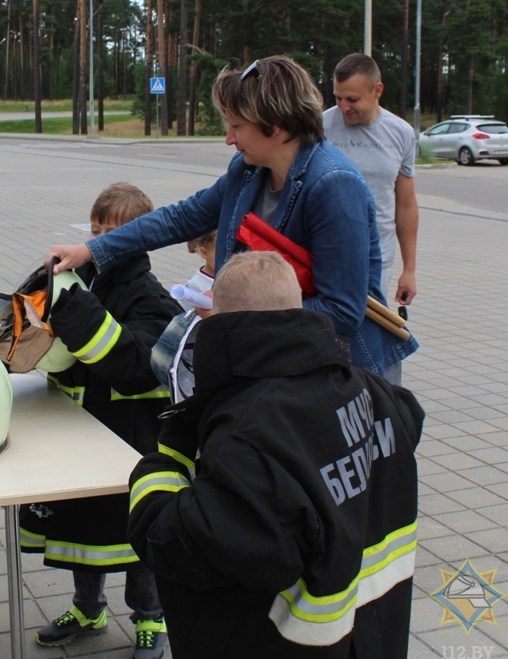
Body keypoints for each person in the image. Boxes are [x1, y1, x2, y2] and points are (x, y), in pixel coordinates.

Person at [127, 251, 424, 658]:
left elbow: (175, 541)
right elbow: (410, 419)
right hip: (376, 633)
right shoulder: (373, 390)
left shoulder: (251, 435)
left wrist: (162, 463)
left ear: (218, 319)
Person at [46, 55, 418, 377]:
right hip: (278, 358)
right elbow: (180, 218)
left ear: (275, 124)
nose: (229, 139)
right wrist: (93, 249)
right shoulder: (248, 170)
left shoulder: (334, 186)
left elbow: (342, 311)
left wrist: (233, 314)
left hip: (337, 373)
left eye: (237, 126)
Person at [22, 183, 181, 659]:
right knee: (83, 525)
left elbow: (133, 367)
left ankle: (152, 620)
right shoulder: (87, 280)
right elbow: (59, 350)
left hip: (132, 443)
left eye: (116, 234)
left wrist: (78, 311)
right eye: (95, 231)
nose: (102, 242)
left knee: (136, 537)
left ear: (142, 240)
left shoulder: (152, 298)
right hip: (84, 432)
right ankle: (88, 609)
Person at [324, 53, 418, 385]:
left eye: (352, 99)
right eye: (337, 97)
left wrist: (409, 270)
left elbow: (405, 204)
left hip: (378, 257)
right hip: (327, 252)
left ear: (377, 90)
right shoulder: (321, 126)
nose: (343, 107)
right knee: (336, 328)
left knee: (373, 329)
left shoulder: (401, 133)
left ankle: (381, 399)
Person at [175, 230, 216, 310]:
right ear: (204, 253)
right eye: (220, 252)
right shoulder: (195, 285)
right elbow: (187, 316)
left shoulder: (233, 276)